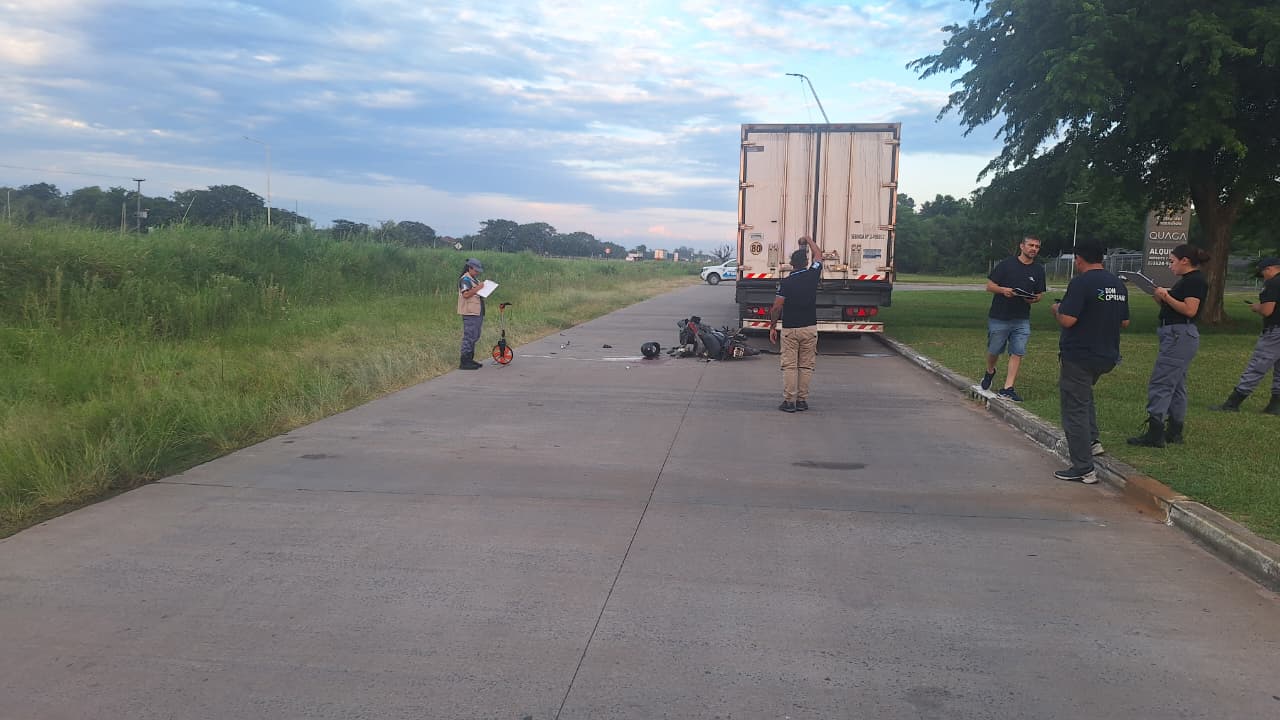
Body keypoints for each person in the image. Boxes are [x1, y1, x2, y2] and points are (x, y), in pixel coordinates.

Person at [1050, 243, 1130, 483]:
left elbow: (1067, 319)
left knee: (1074, 409)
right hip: (1106, 354)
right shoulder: (1118, 284)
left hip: (1079, 354)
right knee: (1084, 398)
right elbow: (1124, 322)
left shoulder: (1081, 283)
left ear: (1079, 259)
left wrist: (1056, 308)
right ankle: (1093, 442)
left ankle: (1083, 467)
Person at [1128, 245, 1211, 447]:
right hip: (1175, 333)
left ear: (1185, 260)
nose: (1169, 265)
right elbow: (1173, 307)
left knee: (1162, 382)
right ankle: (1174, 430)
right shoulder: (1186, 281)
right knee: (1176, 385)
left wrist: (1166, 296)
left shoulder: (1195, 281)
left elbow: (1190, 310)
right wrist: (1161, 297)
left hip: (1179, 335)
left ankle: (1155, 432)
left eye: (1172, 261)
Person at [980, 236, 1046, 402]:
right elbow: (989, 286)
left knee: (1017, 351)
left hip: (1021, 318)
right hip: (1000, 316)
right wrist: (1003, 290)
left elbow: (1039, 295)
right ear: (1022, 246)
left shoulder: (1038, 270)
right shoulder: (1006, 264)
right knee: (994, 350)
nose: (1034, 249)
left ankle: (1008, 388)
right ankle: (990, 371)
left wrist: (1033, 299)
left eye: (1037, 246)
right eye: (1031, 245)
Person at [1212, 256, 1280, 414]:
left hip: (1275, 331)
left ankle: (1233, 403)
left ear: (1269, 269)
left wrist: (1257, 307)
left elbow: (1268, 310)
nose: (1263, 277)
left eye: (1263, 273)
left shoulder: (1273, 283)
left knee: (1258, 365)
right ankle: (1276, 405)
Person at [768, 236, 824, 412]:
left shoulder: (786, 283)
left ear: (791, 264)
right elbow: (819, 255)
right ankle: (802, 400)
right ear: (806, 262)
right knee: (806, 366)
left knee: (790, 366)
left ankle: (789, 401)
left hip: (790, 328)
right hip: (809, 327)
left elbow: (777, 307)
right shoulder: (813, 275)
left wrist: (772, 326)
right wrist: (808, 239)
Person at [457, 258, 486, 370]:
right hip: (469, 312)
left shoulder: (474, 279)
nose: (477, 272)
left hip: (477, 311)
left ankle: (470, 359)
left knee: (475, 335)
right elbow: (466, 294)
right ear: (470, 268)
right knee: (469, 336)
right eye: (476, 270)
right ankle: (464, 361)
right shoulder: (465, 280)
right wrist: (479, 288)